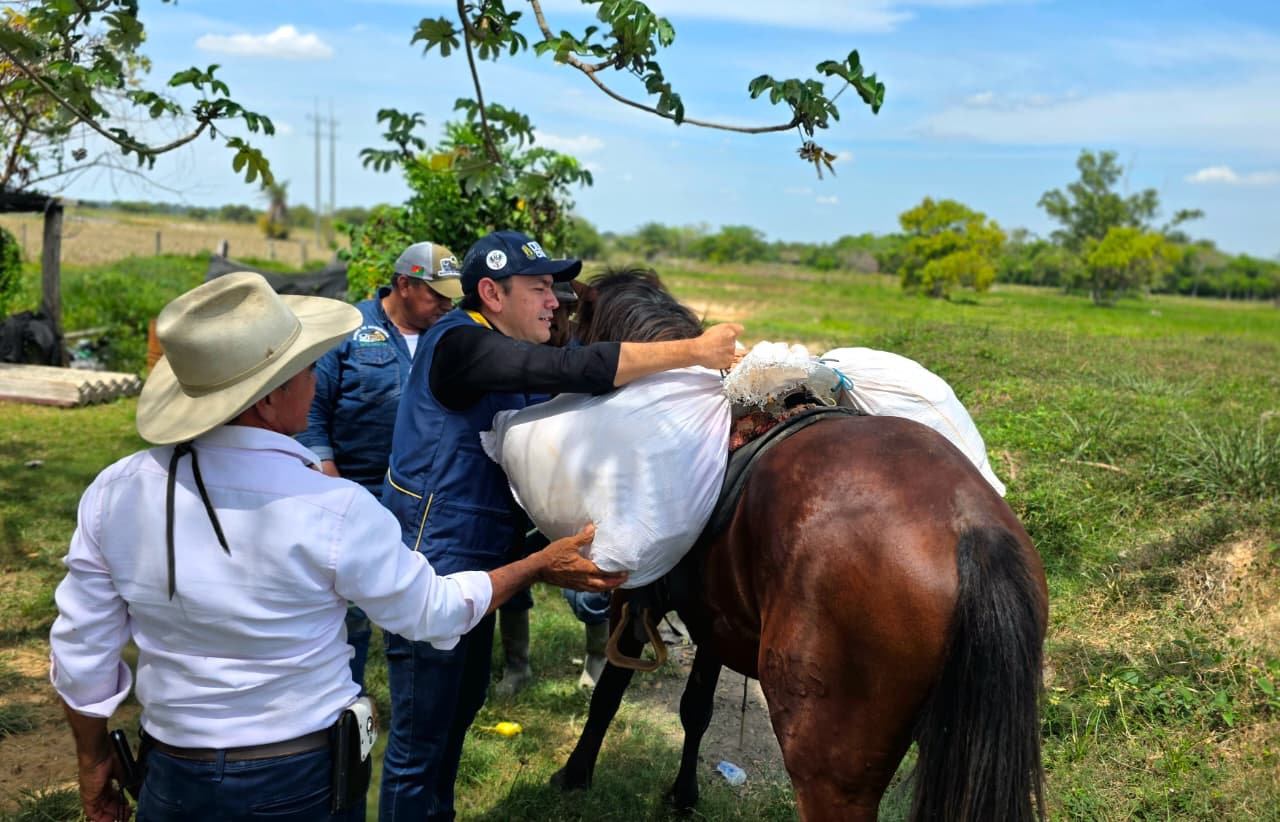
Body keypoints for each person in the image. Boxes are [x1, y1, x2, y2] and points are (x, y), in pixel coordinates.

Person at [48, 272, 624, 822]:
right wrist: (537, 565)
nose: (317, 381)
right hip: (299, 777)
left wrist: (95, 760)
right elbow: (435, 612)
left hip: (171, 772)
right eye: (306, 369)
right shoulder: (335, 509)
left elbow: (82, 654)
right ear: (268, 402)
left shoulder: (115, 492)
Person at [379, 230, 743, 821]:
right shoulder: (461, 345)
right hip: (433, 567)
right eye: (540, 288)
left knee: (456, 714)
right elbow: (576, 367)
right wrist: (693, 352)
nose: (557, 302)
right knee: (422, 738)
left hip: (480, 571)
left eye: (555, 288)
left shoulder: (504, 356)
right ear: (492, 293)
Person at [297, 241, 462, 687]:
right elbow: (311, 412)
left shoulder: (451, 336)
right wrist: (327, 479)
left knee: (418, 599)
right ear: (404, 284)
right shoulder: (348, 331)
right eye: (436, 295)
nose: (445, 305)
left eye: (451, 297)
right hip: (354, 490)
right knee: (347, 609)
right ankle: (342, 701)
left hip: (424, 498)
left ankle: (416, 698)